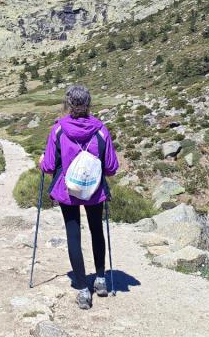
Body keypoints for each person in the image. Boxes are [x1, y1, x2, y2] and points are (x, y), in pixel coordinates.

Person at [39, 84, 119, 310]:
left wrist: (40, 163)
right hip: (95, 191)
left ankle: (84, 290)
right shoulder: (101, 130)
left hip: (68, 191)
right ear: (89, 104)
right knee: (96, 230)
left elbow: (48, 165)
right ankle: (101, 280)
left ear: (68, 104)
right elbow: (112, 168)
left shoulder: (58, 130)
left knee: (73, 234)